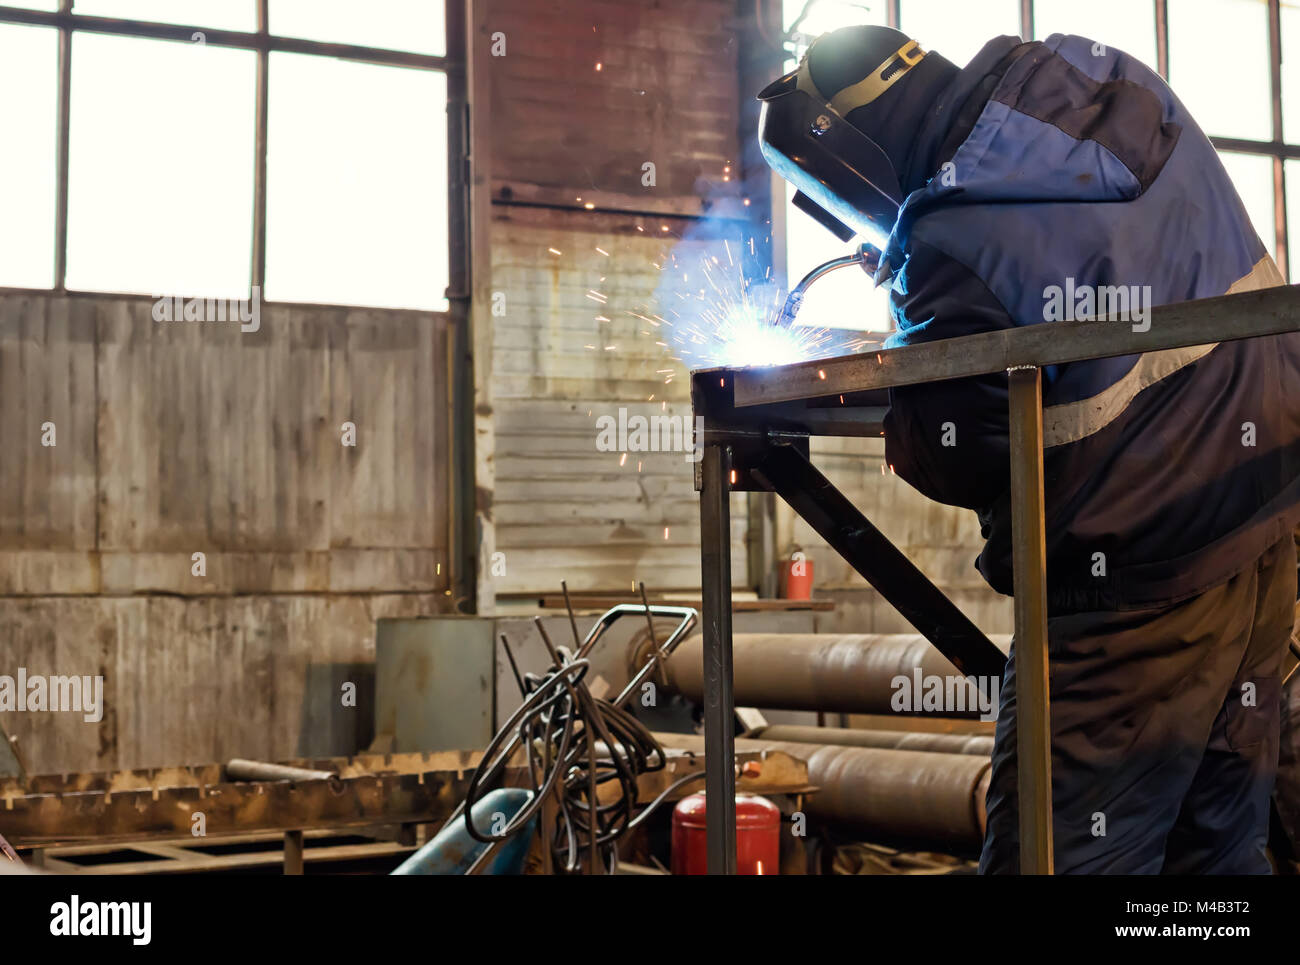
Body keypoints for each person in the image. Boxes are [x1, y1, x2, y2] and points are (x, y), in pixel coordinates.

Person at [757, 26, 1300, 873]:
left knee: (1058, 854)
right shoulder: (1099, 76)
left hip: (1140, 577)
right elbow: (1100, 254)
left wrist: (911, 316)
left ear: (857, 159)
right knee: (1217, 850)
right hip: (1265, 510)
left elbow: (949, 449)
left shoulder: (947, 241)